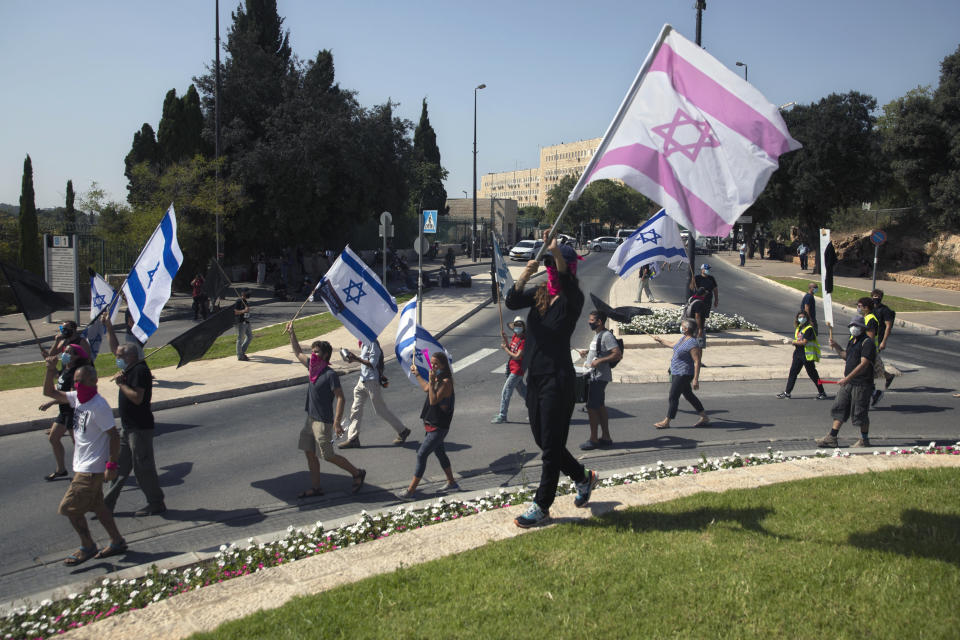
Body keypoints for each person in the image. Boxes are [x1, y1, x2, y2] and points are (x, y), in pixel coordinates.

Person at [505, 232, 600, 528]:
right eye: (547, 264)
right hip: (535, 376)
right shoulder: (540, 293)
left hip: (558, 379)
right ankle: (583, 477)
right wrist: (525, 274)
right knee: (545, 440)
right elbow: (510, 301)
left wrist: (557, 252)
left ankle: (542, 505)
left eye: (555, 264)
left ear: (569, 266)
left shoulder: (573, 298)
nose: (550, 268)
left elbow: (564, 277)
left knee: (549, 448)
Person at [42, 360, 127, 565]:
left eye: (82, 381)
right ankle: (117, 541)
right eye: (76, 381)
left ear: (94, 381)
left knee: (69, 508)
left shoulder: (99, 406)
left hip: (90, 469)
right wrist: (50, 369)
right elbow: (50, 392)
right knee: (99, 506)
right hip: (82, 465)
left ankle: (87, 546)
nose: (78, 385)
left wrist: (111, 466)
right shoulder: (78, 398)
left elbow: (114, 436)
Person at [286, 323, 365, 497]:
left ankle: (357, 473)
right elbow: (298, 352)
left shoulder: (330, 375)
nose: (313, 354)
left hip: (323, 422)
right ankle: (316, 488)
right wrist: (292, 333)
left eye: (317, 352)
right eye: (312, 351)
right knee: (309, 452)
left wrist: (337, 422)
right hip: (310, 419)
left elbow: (341, 398)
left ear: (325, 355)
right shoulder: (312, 368)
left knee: (327, 455)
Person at [101, 341, 166, 516]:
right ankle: (106, 505)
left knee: (143, 468)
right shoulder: (129, 371)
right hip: (127, 427)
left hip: (139, 428)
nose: (117, 359)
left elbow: (137, 398)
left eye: (120, 356)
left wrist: (121, 384)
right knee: (119, 468)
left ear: (131, 356)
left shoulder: (140, 371)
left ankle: (156, 503)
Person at [397, 352, 459, 499]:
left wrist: (431, 381)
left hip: (438, 427)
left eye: (436, 364)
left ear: (443, 365)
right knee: (440, 453)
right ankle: (451, 482)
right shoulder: (437, 378)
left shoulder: (446, 382)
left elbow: (433, 400)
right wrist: (417, 374)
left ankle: (411, 490)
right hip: (432, 425)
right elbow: (426, 388)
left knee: (421, 454)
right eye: (432, 363)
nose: (433, 366)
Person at [816, 315, 876, 448]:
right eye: (852, 326)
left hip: (861, 383)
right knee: (839, 407)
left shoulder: (867, 343)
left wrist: (847, 378)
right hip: (848, 383)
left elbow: (864, 364)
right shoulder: (853, 341)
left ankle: (864, 440)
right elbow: (846, 356)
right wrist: (837, 346)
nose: (854, 328)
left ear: (862, 328)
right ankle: (832, 437)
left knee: (860, 412)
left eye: (857, 326)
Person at [339, 339, 410, 448]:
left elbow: (372, 363)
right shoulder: (364, 343)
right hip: (362, 380)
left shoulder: (373, 344)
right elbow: (364, 360)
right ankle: (353, 438)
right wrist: (353, 359)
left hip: (372, 381)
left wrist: (357, 359)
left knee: (380, 410)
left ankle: (402, 430)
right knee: (355, 409)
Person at [38, 343, 92, 481]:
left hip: (73, 412)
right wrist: (51, 367)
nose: (65, 354)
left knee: (78, 444)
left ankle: (88, 470)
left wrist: (51, 402)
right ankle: (61, 469)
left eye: (69, 352)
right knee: (53, 438)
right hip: (64, 412)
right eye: (64, 351)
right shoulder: (66, 369)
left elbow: (72, 397)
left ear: (76, 356)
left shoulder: (77, 373)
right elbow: (59, 377)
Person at [652, 319, 710, 429]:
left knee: (673, 396)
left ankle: (667, 421)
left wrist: (695, 380)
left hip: (683, 373)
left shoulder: (693, 343)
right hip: (676, 372)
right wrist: (660, 340)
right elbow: (672, 344)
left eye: (682, 326)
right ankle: (704, 417)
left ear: (687, 329)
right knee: (689, 395)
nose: (681, 327)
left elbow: (697, 361)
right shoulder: (683, 339)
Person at [578, 310, 621, 450]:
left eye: (591, 320)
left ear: (599, 322)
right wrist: (587, 352)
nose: (589, 322)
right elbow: (598, 350)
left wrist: (600, 361)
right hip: (594, 375)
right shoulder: (598, 335)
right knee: (600, 406)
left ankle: (594, 439)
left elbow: (617, 354)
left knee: (592, 407)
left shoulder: (607, 336)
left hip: (598, 377)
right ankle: (606, 437)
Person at [776, 310, 827, 400]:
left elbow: (804, 342)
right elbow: (798, 339)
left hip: (807, 355)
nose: (801, 318)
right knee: (793, 373)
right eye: (799, 317)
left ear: (806, 318)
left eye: (803, 317)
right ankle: (787, 393)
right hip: (798, 353)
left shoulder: (809, 329)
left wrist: (792, 342)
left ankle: (822, 392)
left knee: (813, 374)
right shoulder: (799, 328)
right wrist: (793, 342)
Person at [491, 316, 527, 424]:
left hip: (517, 371)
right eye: (516, 326)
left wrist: (505, 349)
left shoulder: (524, 340)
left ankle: (502, 415)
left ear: (523, 327)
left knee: (506, 391)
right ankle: (537, 410)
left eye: (519, 326)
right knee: (525, 393)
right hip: (512, 369)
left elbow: (517, 356)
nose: (517, 328)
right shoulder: (515, 337)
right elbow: (511, 349)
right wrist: (506, 340)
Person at [870, 289, 897, 405]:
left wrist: (884, 341)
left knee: (871, 363)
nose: (876, 298)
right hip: (869, 340)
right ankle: (888, 376)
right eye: (874, 296)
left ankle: (872, 388)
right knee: (873, 363)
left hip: (878, 340)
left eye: (878, 296)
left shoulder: (885, 310)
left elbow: (888, 326)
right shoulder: (871, 308)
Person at [235, 289, 252, 361]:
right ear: (243, 294)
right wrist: (244, 311)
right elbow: (235, 312)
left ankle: (241, 351)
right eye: (247, 293)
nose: (249, 295)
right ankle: (240, 356)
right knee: (240, 339)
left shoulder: (245, 301)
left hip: (247, 321)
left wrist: (247, 311)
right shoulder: (239, 301)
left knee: (250, 336)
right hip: (241, 322)